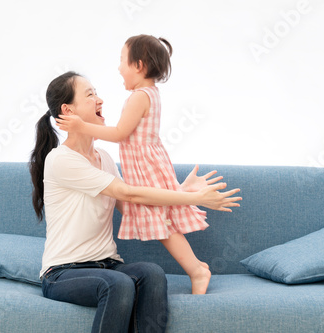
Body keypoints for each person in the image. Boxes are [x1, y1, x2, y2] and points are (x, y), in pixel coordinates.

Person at [30, 71, 241, 333]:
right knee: (116, 284)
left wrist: (179, 190)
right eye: (90, 95)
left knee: (151, 273)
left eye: (96, 92)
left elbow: (133, 208)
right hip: (63, 273)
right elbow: (129, 193)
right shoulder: (61, 160)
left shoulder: (104, 158)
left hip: (108, 264)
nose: (100, 100)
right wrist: (195, 197)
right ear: (67, 110)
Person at [56, 35, 222, 294]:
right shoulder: (149, 93)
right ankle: (196, 267)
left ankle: (197, 270)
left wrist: (81, 125)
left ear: (139, 66)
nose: (119, 67)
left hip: (145, 166)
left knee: (162, 223)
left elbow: (121, 133)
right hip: (149, 163)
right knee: (161, 220)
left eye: (122, 60)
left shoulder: (139, 97)